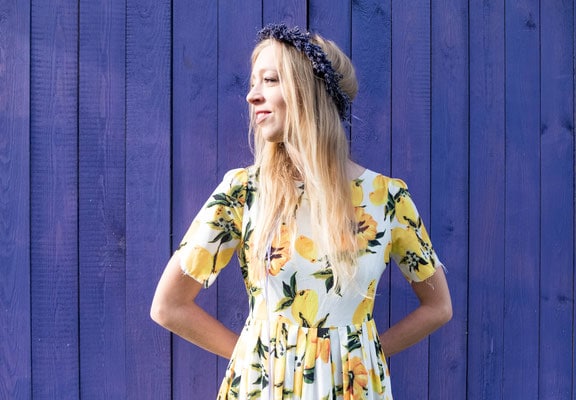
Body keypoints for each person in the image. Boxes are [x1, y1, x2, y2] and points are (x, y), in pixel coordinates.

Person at [151, 23, 452, 400]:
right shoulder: (243, 192)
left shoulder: (386, 199)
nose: (251, 96)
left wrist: (359, 354)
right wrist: (256, 356)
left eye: (270, 80)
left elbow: (438, 306)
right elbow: (169, 305)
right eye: (253, 82)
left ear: (308, 93)